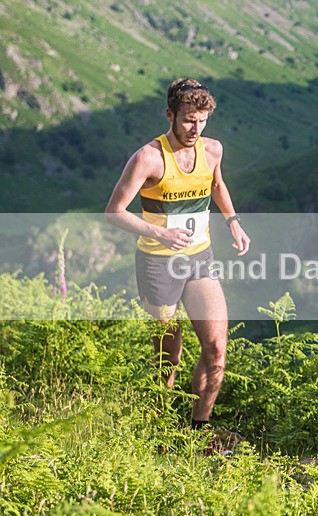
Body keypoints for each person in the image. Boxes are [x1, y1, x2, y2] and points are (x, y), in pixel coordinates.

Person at [105, 78, 250, 443]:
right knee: (167, 357)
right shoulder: (148, 158)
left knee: (216, 348)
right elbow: (114, 212)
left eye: (202, 121)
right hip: (157, 262)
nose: (195, 129)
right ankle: (159, 430)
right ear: (170, 115)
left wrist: (233, 222)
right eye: (188, 120)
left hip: (199, 257)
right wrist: (159, 233)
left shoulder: (212, 149)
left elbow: (216, 184)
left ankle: (198, 433)